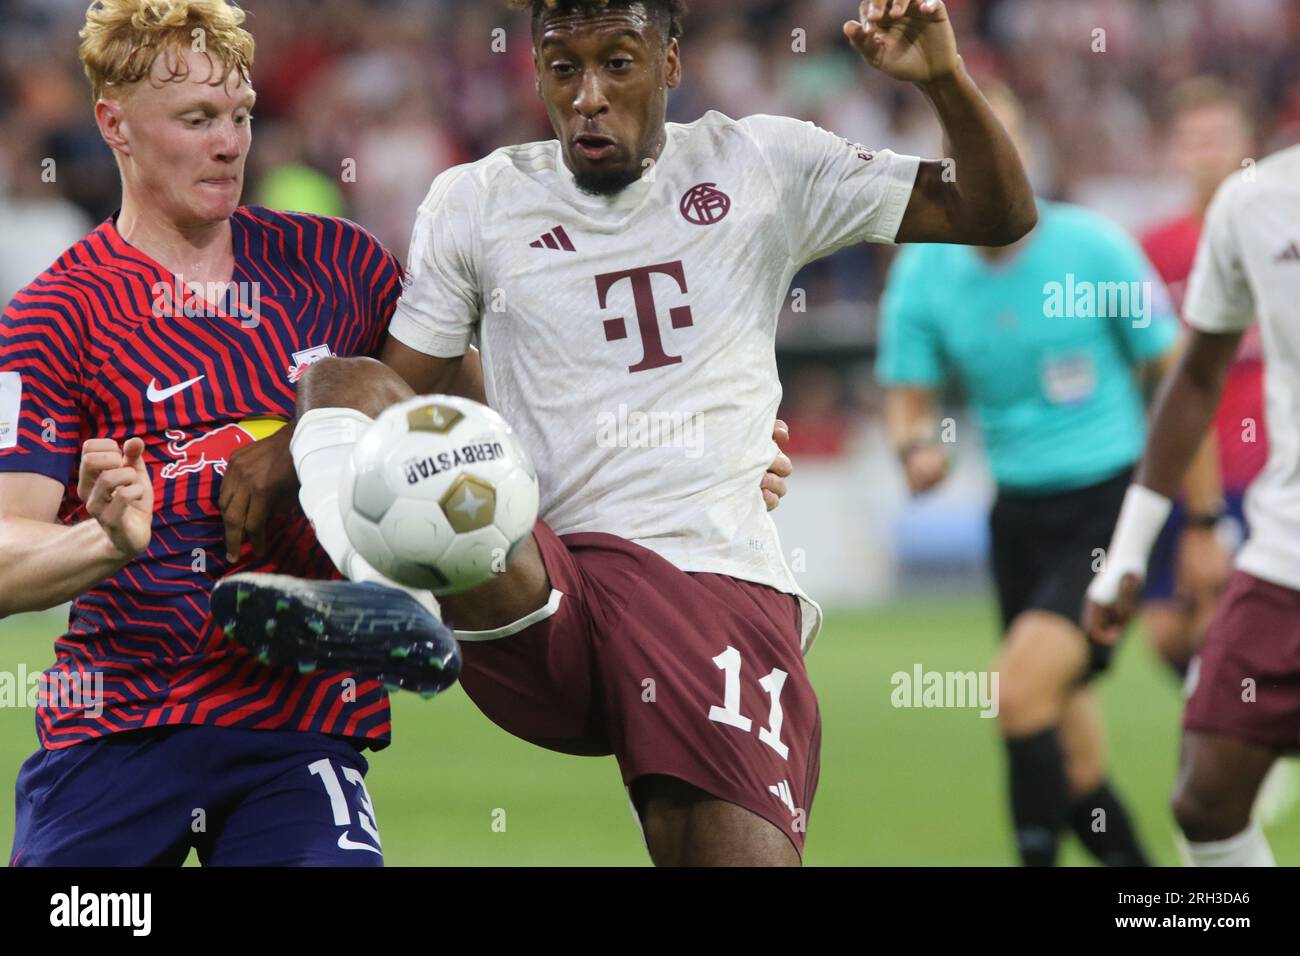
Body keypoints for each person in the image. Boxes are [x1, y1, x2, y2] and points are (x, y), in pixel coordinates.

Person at [217, 0, 1035, 866]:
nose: (588, 96)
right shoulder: (478, 201)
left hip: (709, 581)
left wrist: (943, 79)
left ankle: (403, 599)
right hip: (547, 587)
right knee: (339, 378)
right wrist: (288, 444)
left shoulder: (762, 161)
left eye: (618, 62)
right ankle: (386, 602)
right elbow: (396, 392)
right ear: (533, 72)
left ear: (671, 63)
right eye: (562, 68)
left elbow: (997, 212)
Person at [0, 0, 463, 867]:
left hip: (297, 729)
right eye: (198, 119)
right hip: (117, 727)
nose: (231, 143)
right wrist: (105, 543)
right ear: (115, 124)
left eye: (243, 115)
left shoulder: (342, 267)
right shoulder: (51, 316)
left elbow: (475, 416)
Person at [876, 84, 1210, 866]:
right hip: (1018, 519)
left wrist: (1198, 523)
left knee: (1017, 693)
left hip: (1109, 508)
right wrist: (916, 446)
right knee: (1074, 760)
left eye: (1003, 144)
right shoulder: (925, 273)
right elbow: (909, 396)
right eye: (968, 153)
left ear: (1027, 156)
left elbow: (1179, 383)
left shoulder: (1093, 250)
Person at [1085, 141, 1300, 867]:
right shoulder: (1258, 202)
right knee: (1204, 798)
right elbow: (1195, 376)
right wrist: (1128, 551)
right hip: (1285, 552)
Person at [1138, 77, 1259, 678]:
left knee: (1232, 633)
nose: (1207, 151)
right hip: (1180, 471)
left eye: (1219, 137)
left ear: (1247, 143)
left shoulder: (1279, 241)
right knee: (1167, 634)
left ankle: (1241, 755)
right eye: (1194, 139)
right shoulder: (1151, 252)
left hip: (1264, 469)